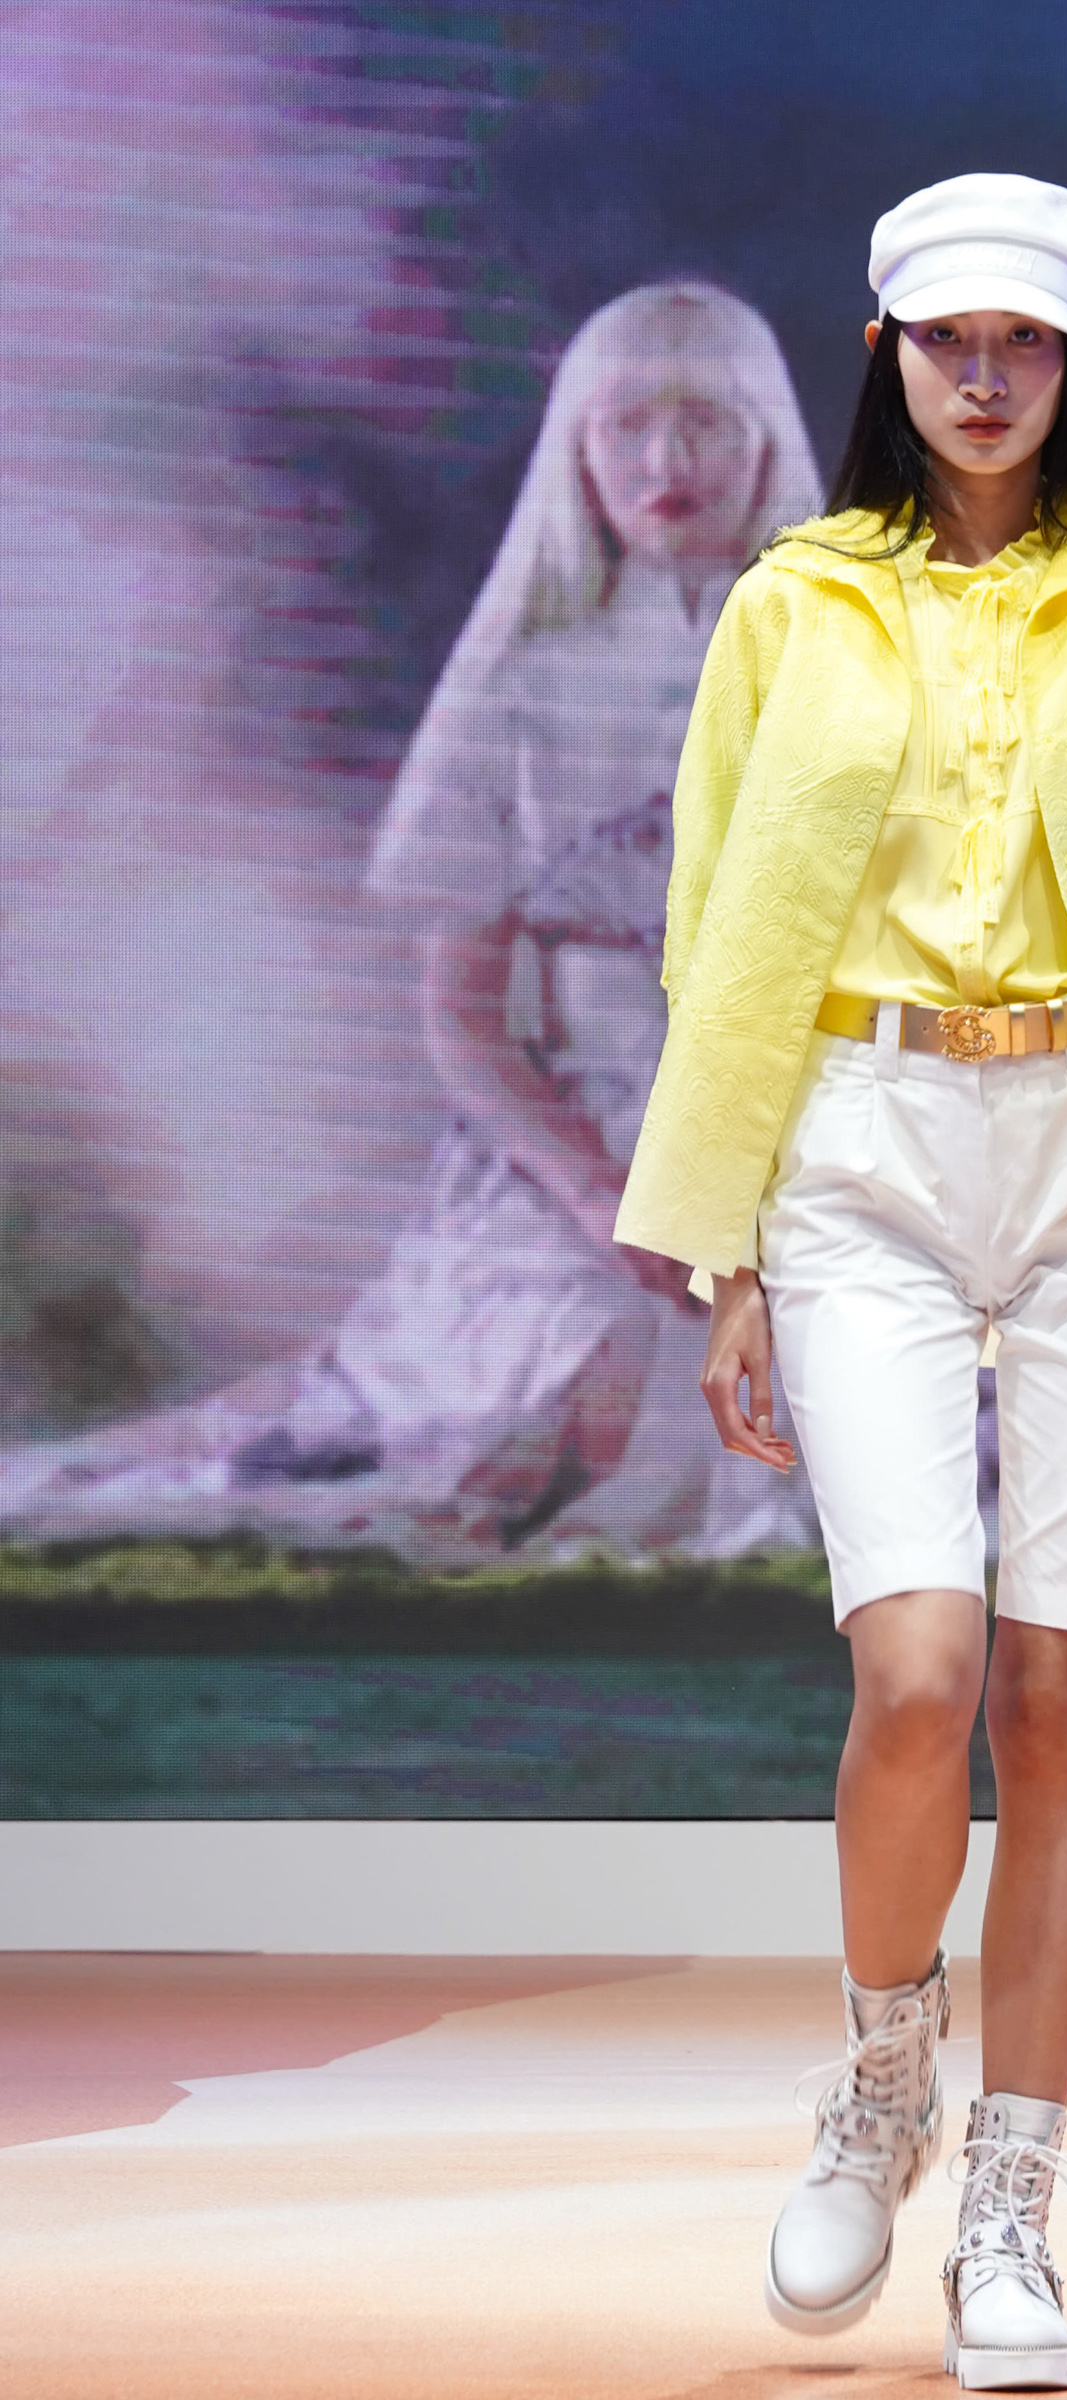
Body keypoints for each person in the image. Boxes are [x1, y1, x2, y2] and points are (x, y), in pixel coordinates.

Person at [616, 178, 1067, 2387]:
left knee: (1056, 1705)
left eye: (1026, 341)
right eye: (949, 340)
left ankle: (1010, 2206)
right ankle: (883, 2076)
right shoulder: (792, 605)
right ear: (888, 355)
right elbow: (715, 927)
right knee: (917, 1671)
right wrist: (730, 1250)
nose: (986, 376)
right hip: (863, 1146)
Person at [0, 281, 822, 1563]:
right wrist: (596, 1189)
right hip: (568, 1170)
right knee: (542, 1422)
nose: (667, 462)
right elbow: (463, 1013)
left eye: (706, 423)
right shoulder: (522, 694)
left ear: (765, 441)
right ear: (580, 450)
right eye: (629, 426)